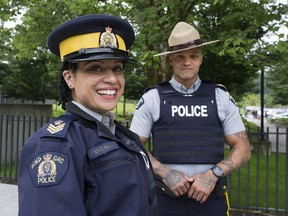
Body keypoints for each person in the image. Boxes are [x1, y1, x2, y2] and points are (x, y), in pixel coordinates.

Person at [18, 14, 158, 216]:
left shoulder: (118, 133)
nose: (111, 79)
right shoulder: (54, 145)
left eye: (117, 68)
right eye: (96, 68)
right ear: (69, 78)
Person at [130, 21, 251, 216]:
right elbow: (132, 145)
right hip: (164, 197)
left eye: (193, 56)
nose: (187, 62)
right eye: (180, 56)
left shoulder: (220, 96)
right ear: (170, 59)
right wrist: (165, 172)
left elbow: (243, 148)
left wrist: (213, 175)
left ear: (201, 58)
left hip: (212, 198)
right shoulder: (153, 97)